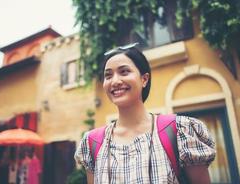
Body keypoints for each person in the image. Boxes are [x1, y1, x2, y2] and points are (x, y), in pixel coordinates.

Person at [75, 43, 216, 183]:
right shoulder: (93, 142)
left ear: (144, 79)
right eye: (108, 76)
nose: (115, 81)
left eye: (124, 72)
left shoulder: (179, 131)